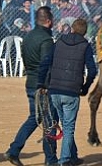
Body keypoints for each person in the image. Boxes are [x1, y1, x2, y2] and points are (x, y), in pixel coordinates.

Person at [38, 19, 97, 166]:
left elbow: (46, 62)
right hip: (71, 92)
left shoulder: (59, 41)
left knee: (65, 124)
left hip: (55, 90)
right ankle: (64, 160)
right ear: (84, 32)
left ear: (71, 29)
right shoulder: (85, 46)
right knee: (69, 127)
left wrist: (41, 83)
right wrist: (85, 87)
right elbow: (92, 70)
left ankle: (72, 156)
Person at [5, 6, 58, 166]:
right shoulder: (46, 40)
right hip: (42, 86)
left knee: (34, 118)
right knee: (50, 122)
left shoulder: (28, 36)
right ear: (49, 21)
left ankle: (14, 150)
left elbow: (26, 59)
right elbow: (45, 65)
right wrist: (44, 84)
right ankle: (51, 160)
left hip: (31, 82)